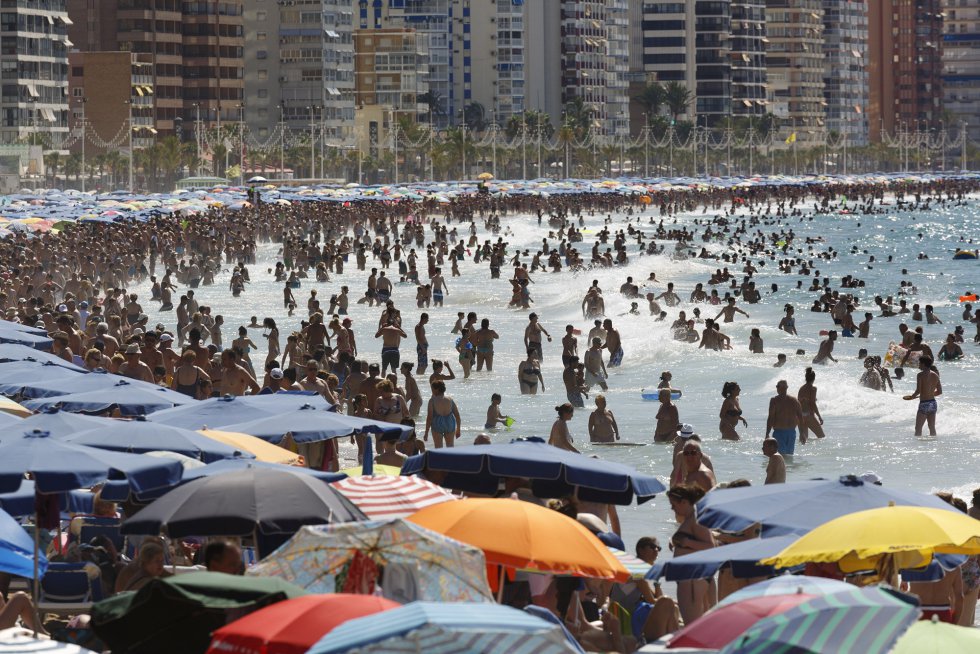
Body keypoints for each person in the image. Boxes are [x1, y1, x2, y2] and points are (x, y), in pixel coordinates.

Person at [667, 485, 715, 624]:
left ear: (684, 502)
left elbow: (710, 546)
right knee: (697, 623)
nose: (672, 508)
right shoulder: (690, 518)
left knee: (692, 624)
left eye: (673, 504)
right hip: (690, 577)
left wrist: (686, 542)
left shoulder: (696, 518)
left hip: (691, 579)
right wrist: (676, 541)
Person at [904, 356, 942, 436]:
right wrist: (930, 393)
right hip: (933, 403)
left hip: (924, 403)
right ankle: (934, 444)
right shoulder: (936, 375)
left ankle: (917, 447)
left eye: (919, 363)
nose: (918, 365)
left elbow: (918, 390)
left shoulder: (920, 375)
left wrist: (913, 396)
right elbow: (939, 392)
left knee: (918, 428)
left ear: (923, 364)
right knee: (932, 427)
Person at [765, 379, 805, 456]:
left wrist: (767, 434)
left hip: (779, 433)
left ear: (782, 388)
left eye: (777, 386)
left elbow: (771, 418)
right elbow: (800, 418)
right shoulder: (794, 401)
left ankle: (782, 468)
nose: (777, 388)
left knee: (780, 456)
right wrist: (801, 433)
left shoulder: (774, 401)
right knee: (789, 456)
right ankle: (788, 468)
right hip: (791, 433)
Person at [424, 380, 460, 448]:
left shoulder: (432, 401)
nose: (432, 391)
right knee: (450, 447)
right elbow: (457, 415)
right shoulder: (450, 399)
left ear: (437, 389)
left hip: (437, 424)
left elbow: (429, 417)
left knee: (438, 448)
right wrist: (458, 429)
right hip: (450, 423)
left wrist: (426, 432)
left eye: (432, 389)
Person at [798, 367, 826, 440]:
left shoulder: (801, 388)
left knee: (804, 440)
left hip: (801, 417)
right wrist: (819, 416)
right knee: (822, 437)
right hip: (809, 416)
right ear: (814, 378)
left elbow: (799, 402)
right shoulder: (813, 388)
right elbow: (812, 403)